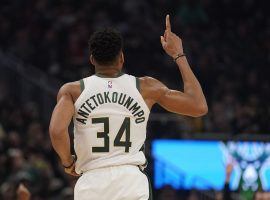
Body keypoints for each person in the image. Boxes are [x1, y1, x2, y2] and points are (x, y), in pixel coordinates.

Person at [49, 15, 207, 200]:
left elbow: (57, 130)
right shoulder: (146, 87)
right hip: (130, 180)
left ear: (92, 59)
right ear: (122, 57)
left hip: (91, 181)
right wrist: (178, 55)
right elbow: (198, 106)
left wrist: (68, 162)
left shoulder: (73, 91)